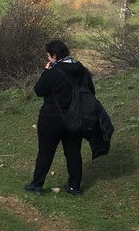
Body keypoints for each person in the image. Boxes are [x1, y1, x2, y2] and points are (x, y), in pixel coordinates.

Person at [25, 40, 95, 197]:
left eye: (49, 56)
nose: (48, 59)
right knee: (73, 153)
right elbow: (90, 92)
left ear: (54, 56)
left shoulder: (54, 72)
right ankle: (74, 187)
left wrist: (46, 71)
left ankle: (36, 184)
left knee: (45, 152)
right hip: (75, 119)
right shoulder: (82, 70)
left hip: (51, 119)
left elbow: (39, 90)